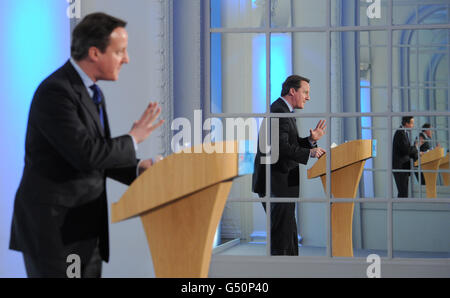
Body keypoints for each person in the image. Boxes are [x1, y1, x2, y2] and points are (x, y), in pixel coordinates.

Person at [9, 12, 164, 278]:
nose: (126, 59)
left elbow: (98, 154)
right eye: (120, 52)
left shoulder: (93, 92)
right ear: (94, 53)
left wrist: (138, 169)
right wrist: (133, 138)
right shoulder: (56, 92)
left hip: (84, 229)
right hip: (56, 233)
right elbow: (86, 155)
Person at [252, 75, 326, 256]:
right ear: (292, 91)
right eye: (305, 92)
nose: (308, 97)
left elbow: (286, 144)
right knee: (282, 237)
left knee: (288, 233)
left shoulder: (284, 111)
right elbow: (281, 147)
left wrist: (310, 140)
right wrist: (309, 151)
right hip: (276, 184)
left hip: (280, 184)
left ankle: (291, 270)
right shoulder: (279, 111)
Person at [392, 116, 418, 197]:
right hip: (400, 168)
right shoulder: (400, 133)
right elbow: (406, 150)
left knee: (403, 192)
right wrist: (416, 147)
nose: (413, 125)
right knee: (403, 192)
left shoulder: (404, 132)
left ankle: (400, 208)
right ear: (406, 123)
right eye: (412, 123)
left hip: (403, 167)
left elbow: (407, 150)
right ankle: (400, 209)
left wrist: (417, 152)